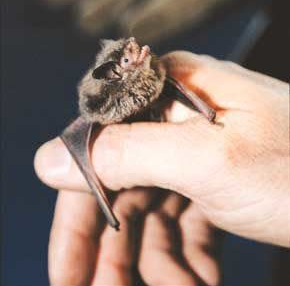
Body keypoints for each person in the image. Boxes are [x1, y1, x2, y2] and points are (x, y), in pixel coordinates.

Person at [34, 52, 289, 286]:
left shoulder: (157, 77)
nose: (138, 52)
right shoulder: (108, 96)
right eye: (126, 61)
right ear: (113, 74)